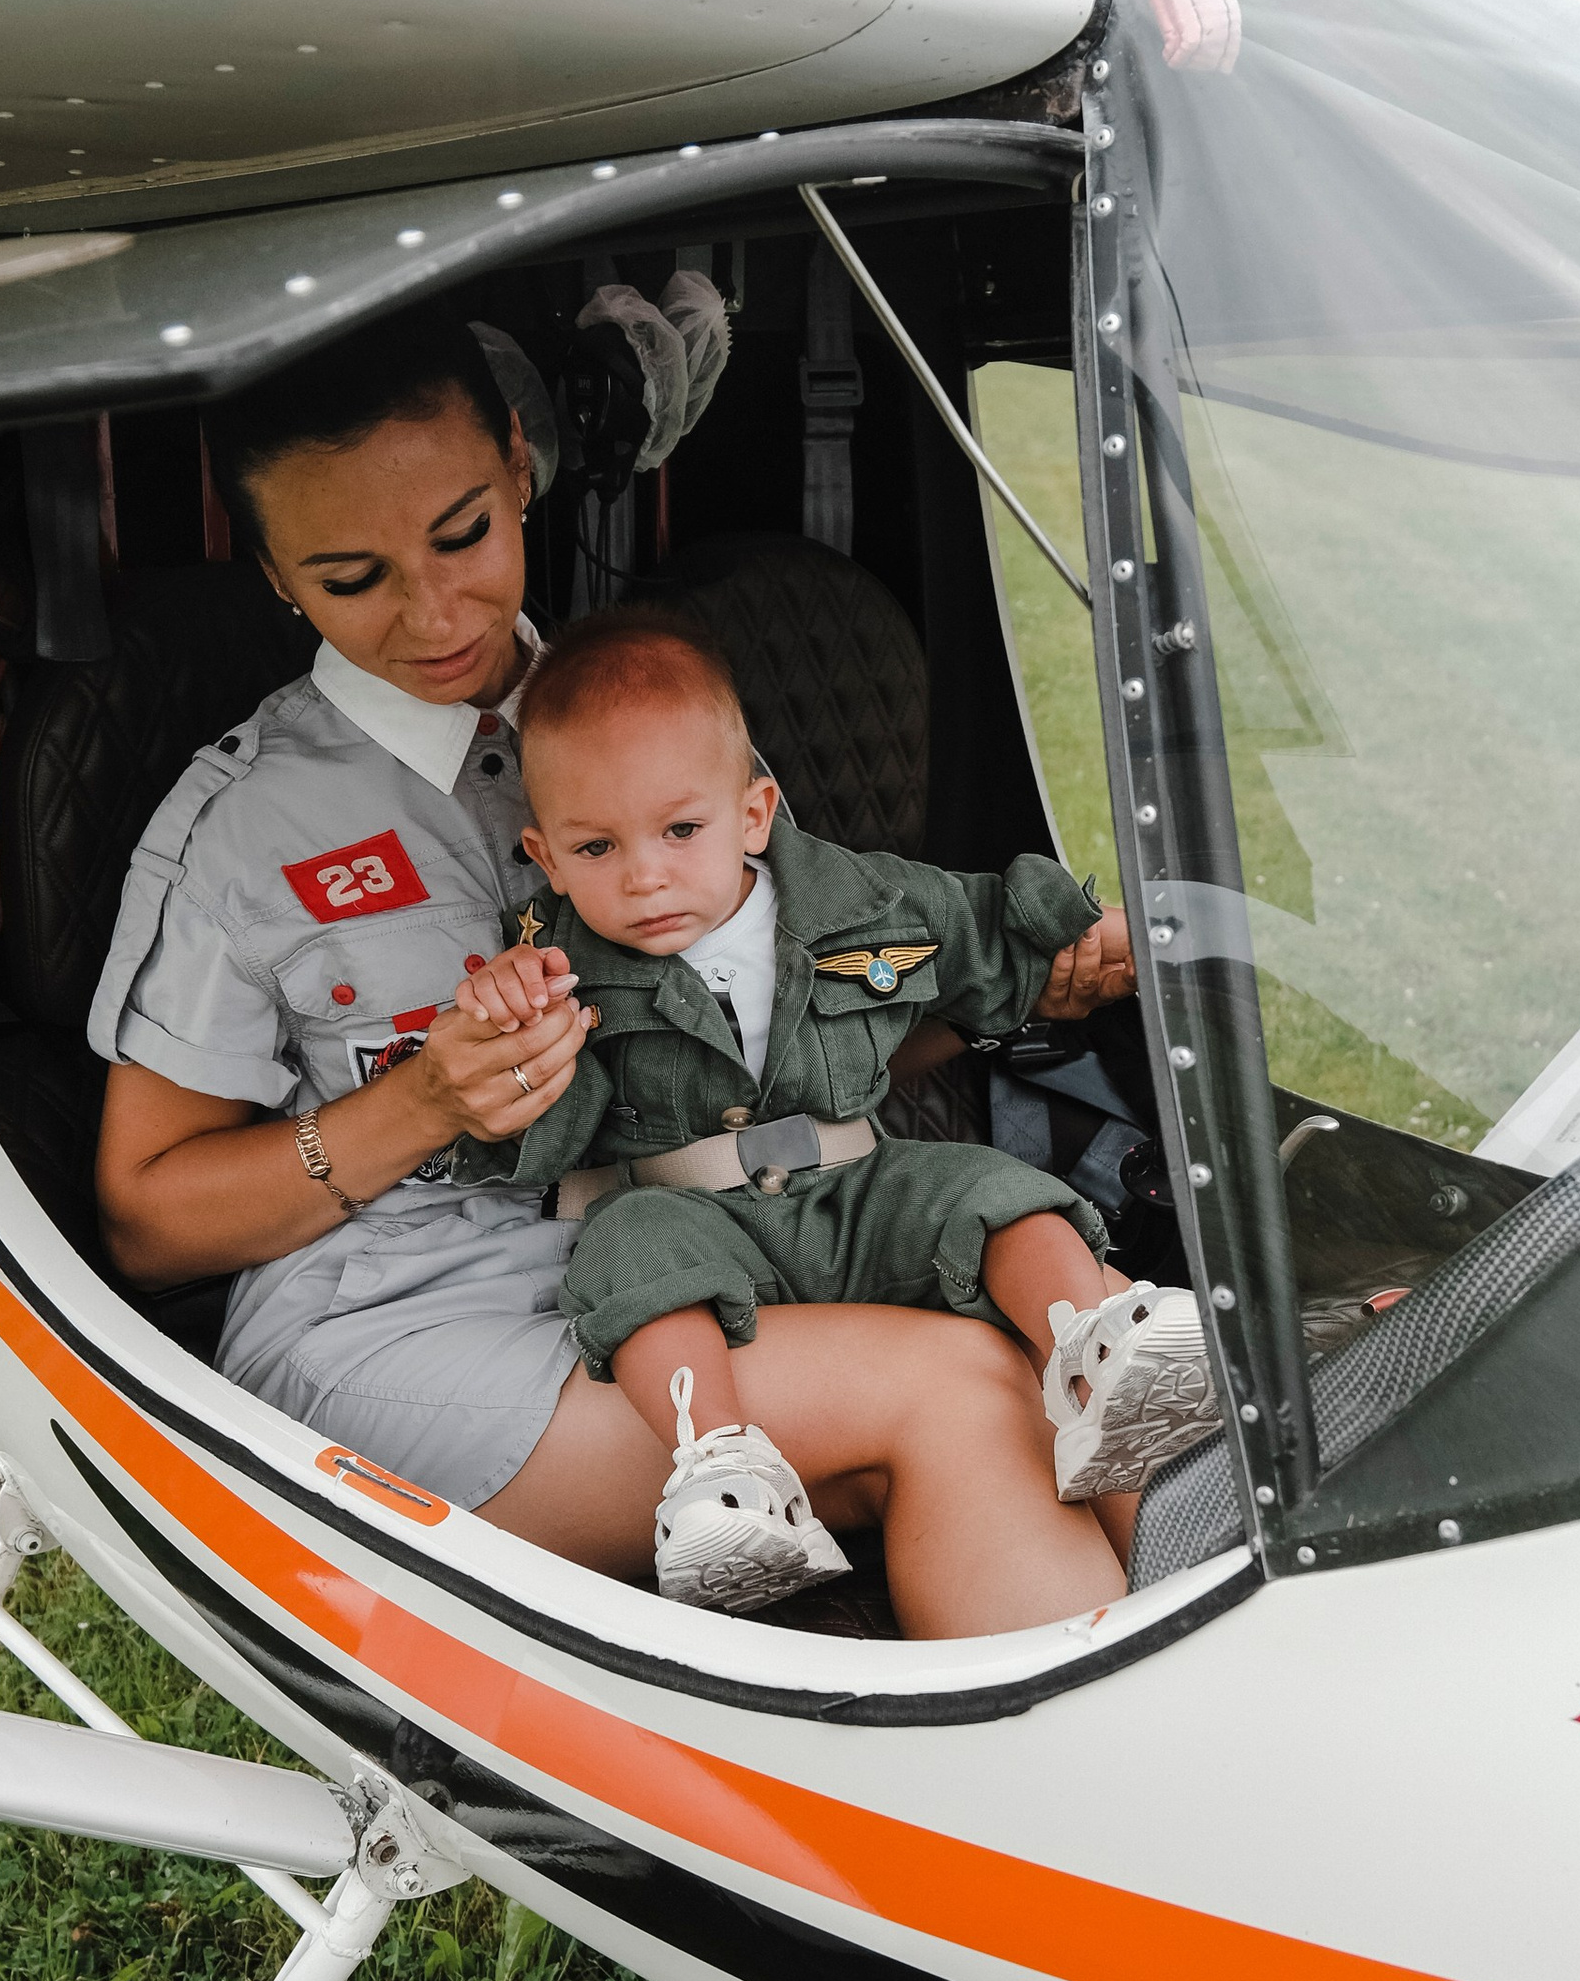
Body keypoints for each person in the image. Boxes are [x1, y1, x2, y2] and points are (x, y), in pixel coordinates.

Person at [88, 316, 1144, 1640]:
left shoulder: (649, 724)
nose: (432, 615)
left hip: (706, 1250)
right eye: (352, 578)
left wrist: (1015, 1005)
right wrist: (422, 1106)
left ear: (521, 467)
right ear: (277, 578)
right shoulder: (240, 832)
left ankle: (1197, 1737)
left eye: (463, 535)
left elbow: (781, 1044)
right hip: (410, 1327)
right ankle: (1099, 1807)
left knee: (1085, 1372)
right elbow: (144, 1218)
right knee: (965, 1389)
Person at [448, 610, 1215, 1609]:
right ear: (545, 857)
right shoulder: (549, 968)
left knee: (989, 1191)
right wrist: (508, 1037)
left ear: (754, 814)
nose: (645, 875)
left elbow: (979, 926)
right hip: (693, 1213)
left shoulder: (853, 904)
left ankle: (1095, 1342)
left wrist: (1077, 932)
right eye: (597, 848)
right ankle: (720, 1470)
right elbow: (523, 1129)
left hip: (857, 1183)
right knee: (626, 1255)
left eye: (682, 830)